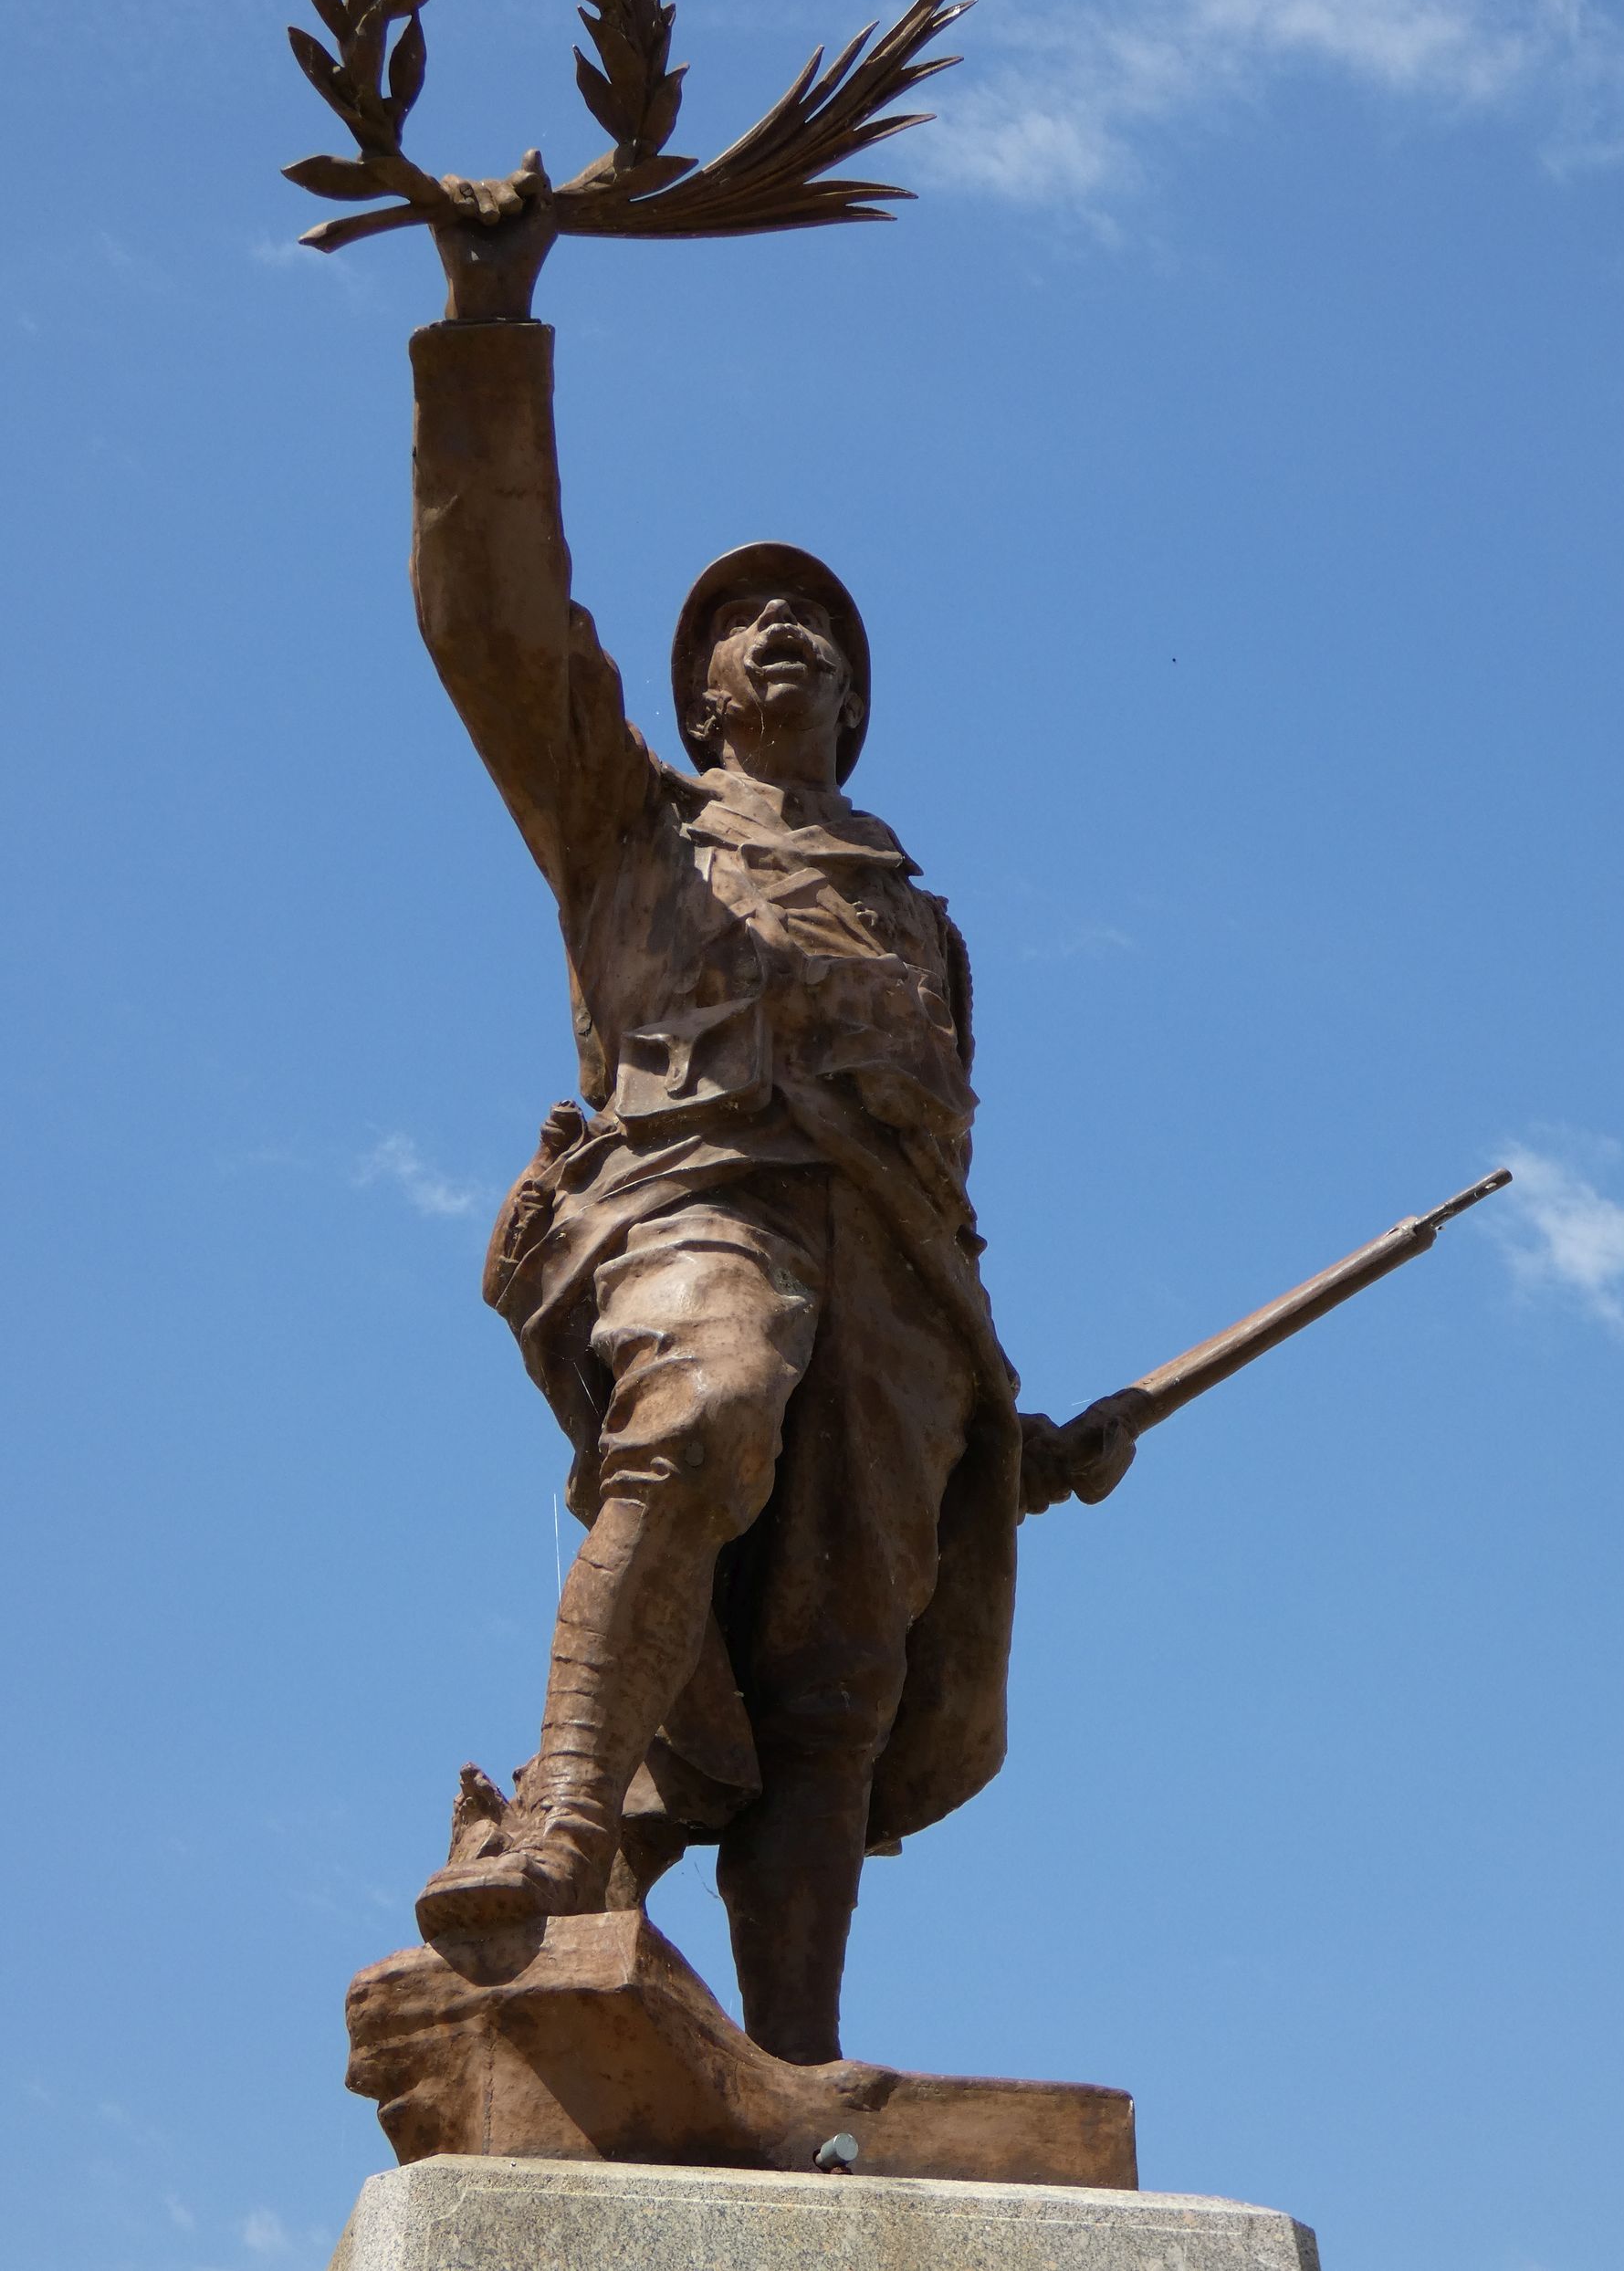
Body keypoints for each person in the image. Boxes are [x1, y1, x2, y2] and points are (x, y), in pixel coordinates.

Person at [404, 157, 1134, 2067]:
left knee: (839, 1683)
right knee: (705, 1400)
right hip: (693, 1208)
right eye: (744, 615)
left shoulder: (927, 924)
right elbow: (492, 615)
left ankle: (799, 2057)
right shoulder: (623, 822)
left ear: (853, 698)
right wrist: (491, 336)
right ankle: (566, 1813)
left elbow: (939, 1195)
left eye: (815, 614)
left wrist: (1018, 1429)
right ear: (702, 693)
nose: (782, 622)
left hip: (899, 1304)